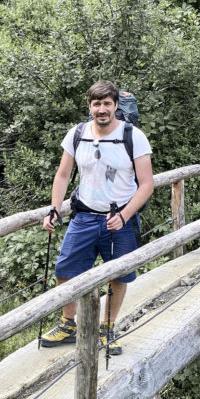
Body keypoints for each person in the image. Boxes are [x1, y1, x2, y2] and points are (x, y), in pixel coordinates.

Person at [40, 80, 154, 351]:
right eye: (96, 104)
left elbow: (147, 183)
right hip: (84, 217)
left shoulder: (133, 136)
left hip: (120, 220)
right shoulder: (77, 134)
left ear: (115, 105)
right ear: (89, 106)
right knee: (65, 270)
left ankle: (107, 328)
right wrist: (55, 207)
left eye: (107, 104)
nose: (101, 109)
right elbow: (63, 174)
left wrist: (125, 215)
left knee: (119, 276)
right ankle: (69, 324)